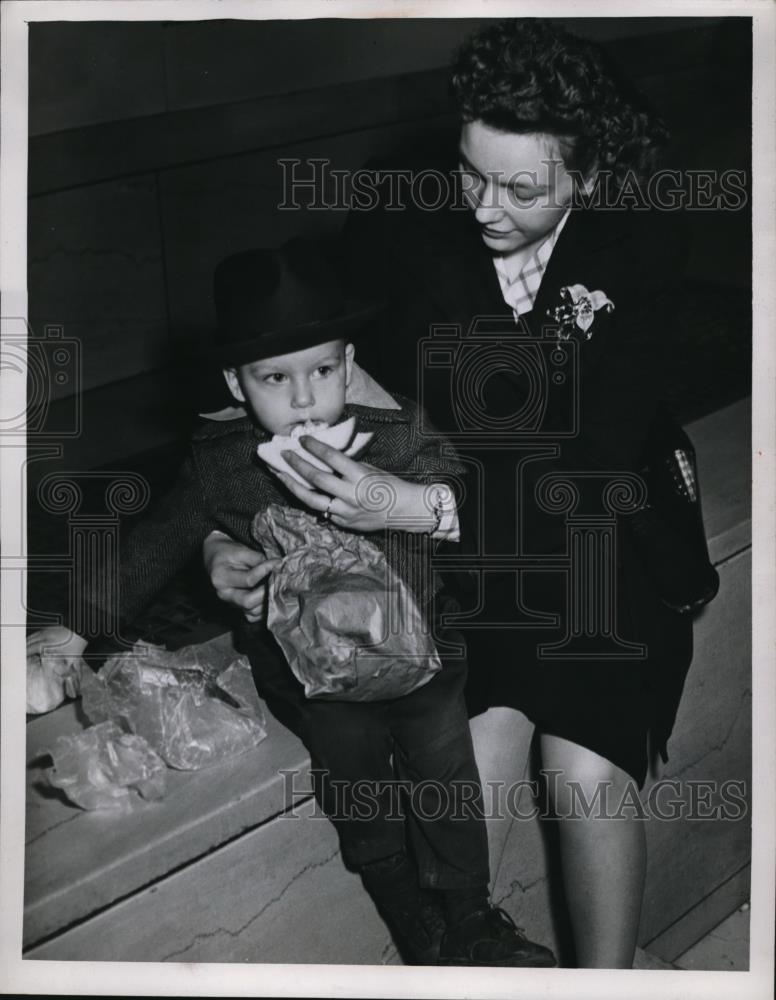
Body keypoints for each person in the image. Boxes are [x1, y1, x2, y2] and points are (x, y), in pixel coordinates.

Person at [204, 20, 699, 968]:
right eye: (472, 172)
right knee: (468, 751)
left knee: (585, 765)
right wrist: (225, 531)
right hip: (477, 548)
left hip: (604, 537)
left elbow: (593, 464)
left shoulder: (643, 243)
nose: (484, 206)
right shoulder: (401, 225)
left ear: (588, 177)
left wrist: (412, 508)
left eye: (523, 188)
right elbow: (297, 364)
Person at [26, 238, 557, 969]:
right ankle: (398, 892)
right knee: (353, 763)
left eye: (322, 370)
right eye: (276, 378)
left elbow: (459, 492)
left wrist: (404, 498)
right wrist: (74, 626)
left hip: (423, 649)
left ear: (349, 361)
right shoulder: (222, 464)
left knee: (444, 766)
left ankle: (469, 910)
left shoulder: (398, 431)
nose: (305, 397)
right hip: (311, 668)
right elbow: (152, 546)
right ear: (237, 383)